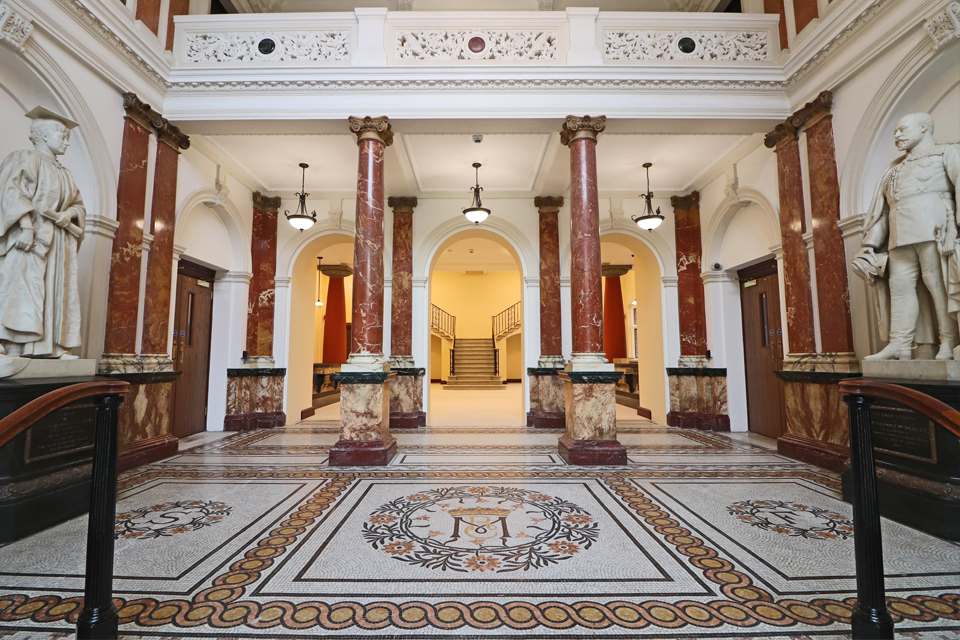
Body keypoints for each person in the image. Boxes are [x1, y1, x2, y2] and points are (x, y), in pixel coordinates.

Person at [857, 113, 959, 361]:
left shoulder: (947, 152)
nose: (897, 136)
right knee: (900, 288)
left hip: (933, 229)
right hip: (899, 235)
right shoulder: (894, 167)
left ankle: (948, 342)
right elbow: (884, 210)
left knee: (938, 286)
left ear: (924, 128)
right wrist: (871, 243)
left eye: (902, 130)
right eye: (895, 132)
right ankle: (899, 344)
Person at [0, 107, 85, 369]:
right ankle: (9, 343)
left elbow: (78, 205)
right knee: (20, 288)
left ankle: (51, 347)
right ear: (42, 136)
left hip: (59, 242)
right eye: (61, 135)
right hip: (30, 238)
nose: (66, 141)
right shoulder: (23, 158)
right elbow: (11, 192)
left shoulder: (65, 173)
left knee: (57, 291)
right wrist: (25, 226)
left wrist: (68, 214)